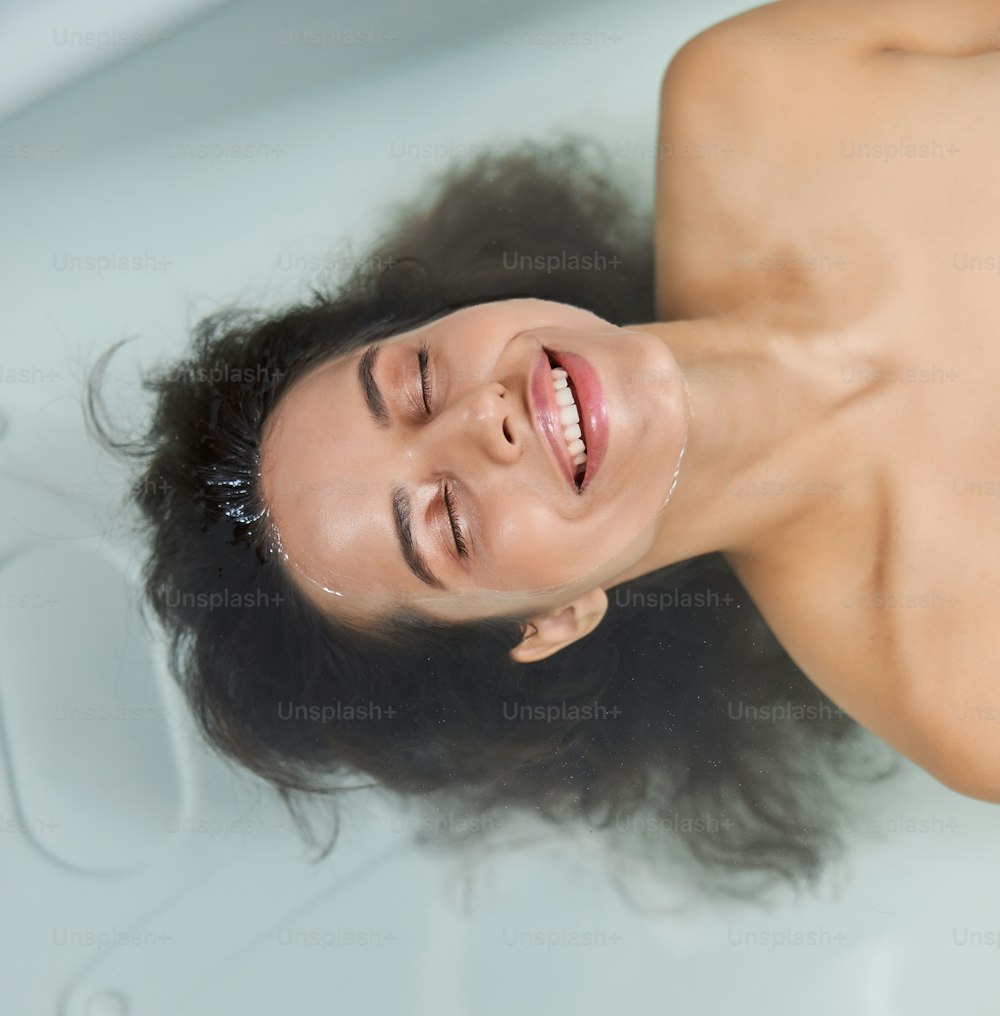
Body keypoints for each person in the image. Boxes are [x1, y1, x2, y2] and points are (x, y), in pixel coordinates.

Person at [95, 0, 1000, 901]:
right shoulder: (960, 684)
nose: (481, 425)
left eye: (414, 382)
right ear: (550, 620)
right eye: (448, 521)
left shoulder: (753, 95)